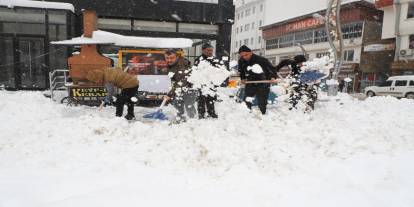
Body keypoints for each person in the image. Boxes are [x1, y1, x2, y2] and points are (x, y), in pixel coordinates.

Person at [238, 45, 278, 115]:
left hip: (263, 82)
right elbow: (241, 72)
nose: (244, 57)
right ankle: (246, 116)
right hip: (251, 82)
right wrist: (243, 78)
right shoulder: (241, 61)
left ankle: (262, 116)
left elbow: (272, 69)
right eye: (242, 56)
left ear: (251, 52)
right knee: (247, 100)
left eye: (246, 55)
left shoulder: (261, 60)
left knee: (262, 102)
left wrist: (273, 77)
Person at [163, 49, 197, 123]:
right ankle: (180, 121)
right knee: (177, 105)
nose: (169, 60)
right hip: (180, 88)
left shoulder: (181, 65)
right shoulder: (172, 65)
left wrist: (170, 94)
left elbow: (180, 82)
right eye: (167, 58)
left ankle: (193, 122)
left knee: (189, 106)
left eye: (171, 58)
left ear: (177, 57)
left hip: (190, 88)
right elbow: (174, 80)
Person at [193, 43, 220, 119]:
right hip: (202, 82)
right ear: (203, 50)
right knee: (201, 99)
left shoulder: (214, 59)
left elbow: (218, 70)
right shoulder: (198, 60)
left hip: (211, 82)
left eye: (211, 50)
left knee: (211, 98)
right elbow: (195, 71)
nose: (210, 52)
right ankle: (201, 114)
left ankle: (211, 113)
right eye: (208, 50)